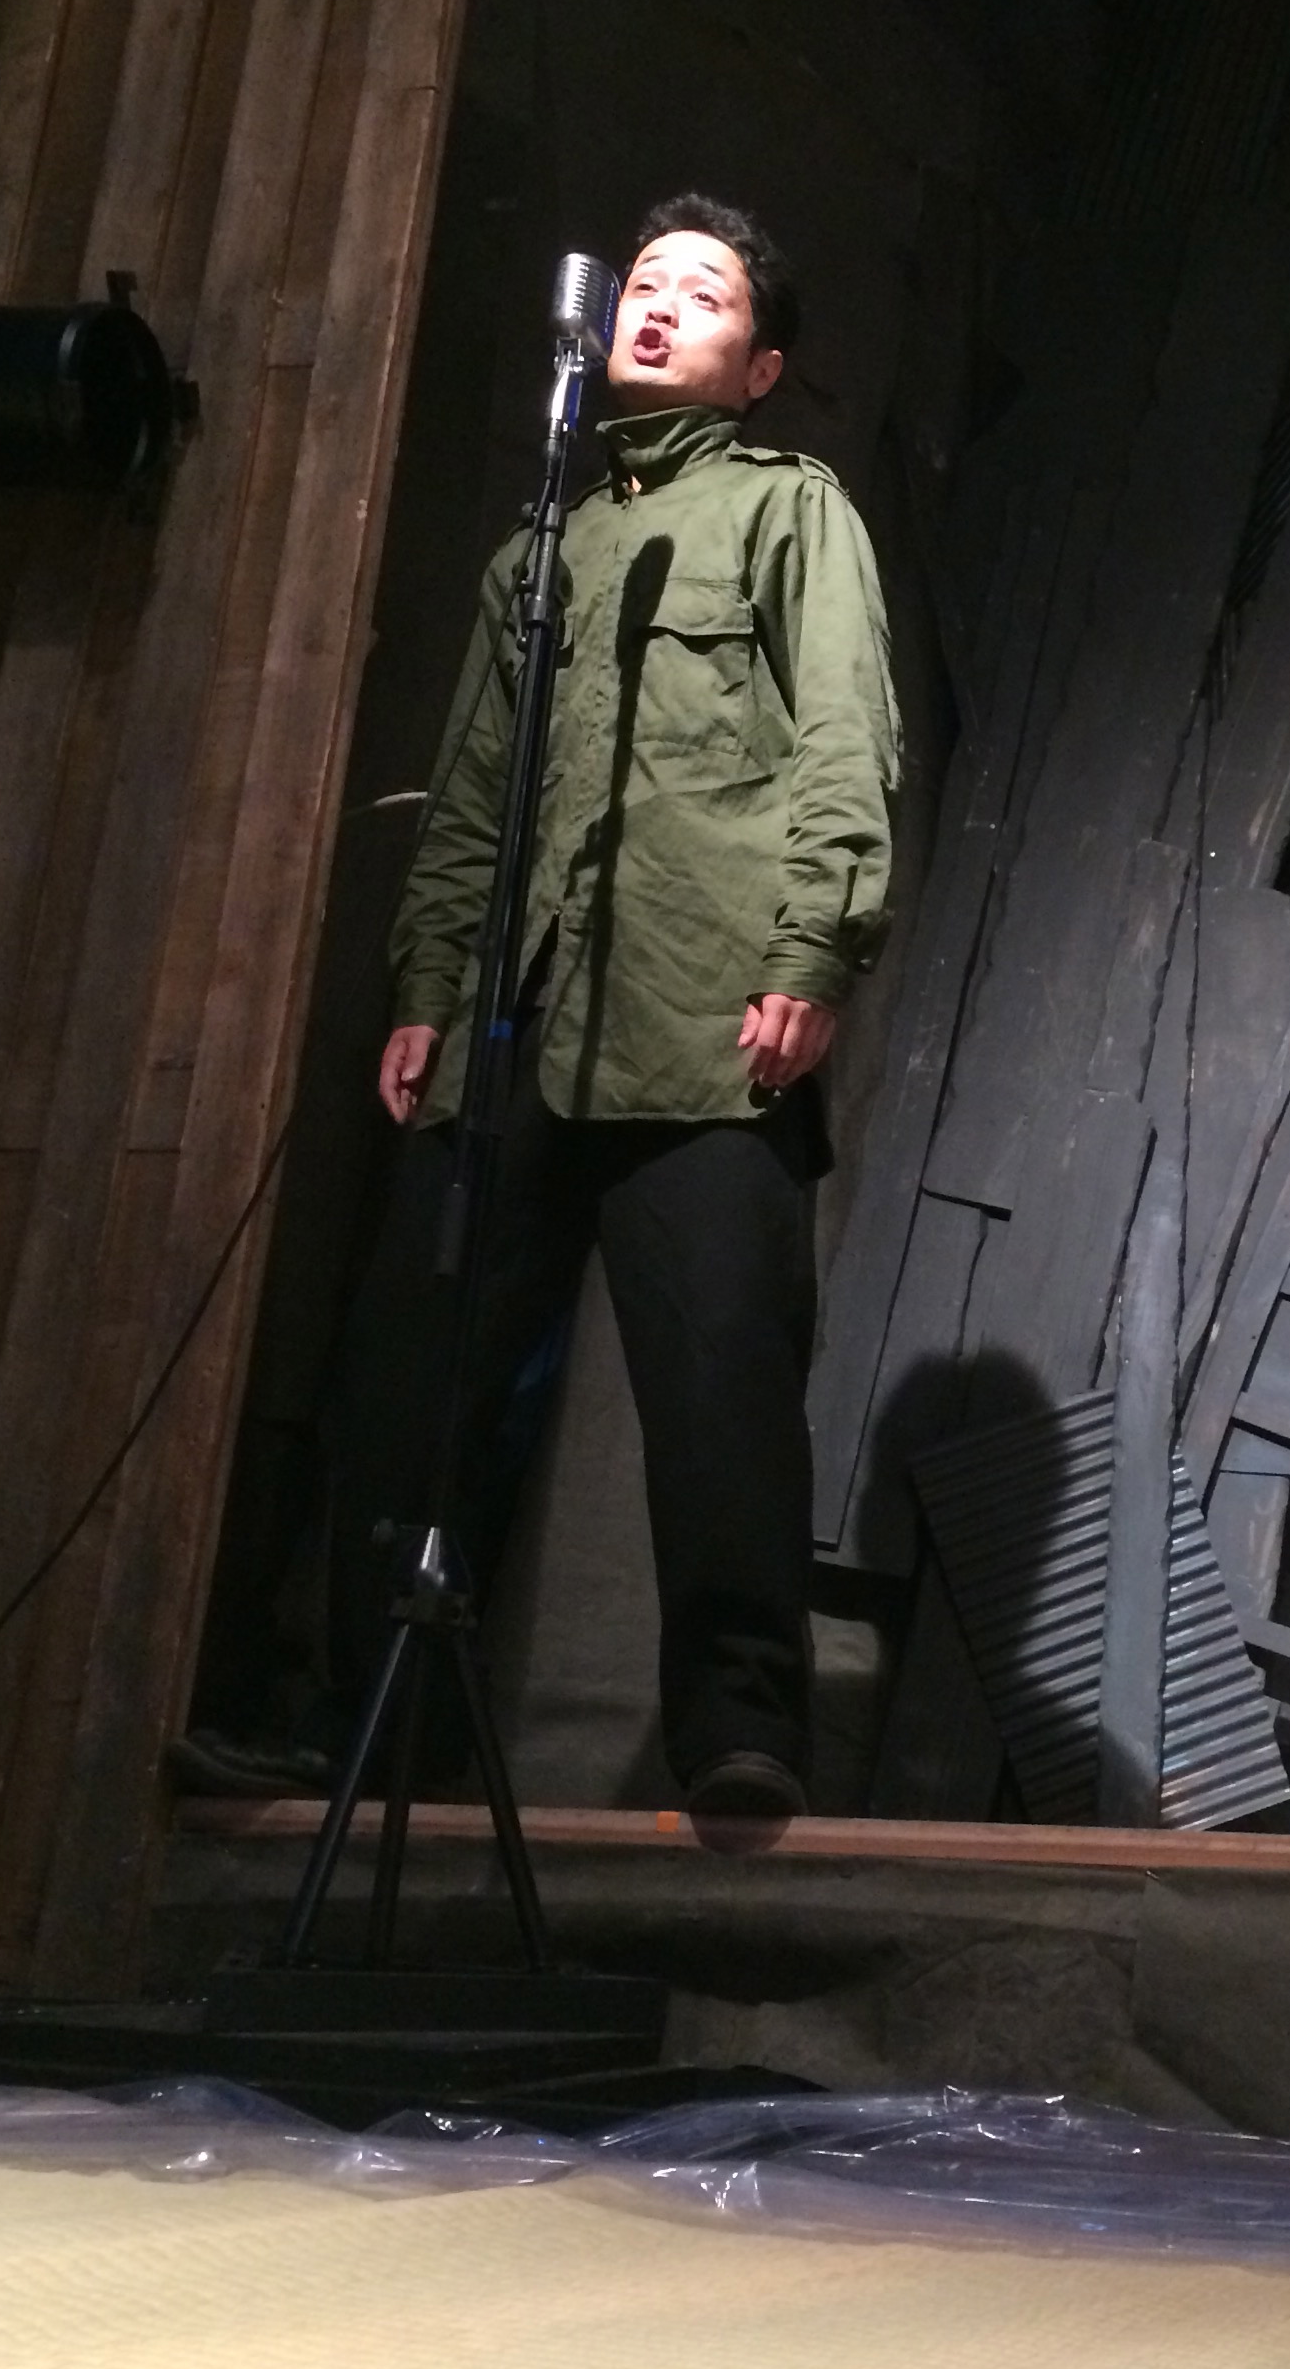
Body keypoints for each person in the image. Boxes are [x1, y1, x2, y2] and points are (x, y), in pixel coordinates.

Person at [313, 195, 897, 1821]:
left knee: (721, 1395)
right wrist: (433, 983)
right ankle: (376, 1732)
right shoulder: (537, 555)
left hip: (703, 1017)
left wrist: (812, 949)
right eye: (643, 283)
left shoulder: (789, 511)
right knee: (419, 1388)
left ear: (758, 366)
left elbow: (846, 734)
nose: (656, 307)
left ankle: (738, 1733)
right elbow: (473, 796)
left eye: (701, 294)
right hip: (518, 1019)